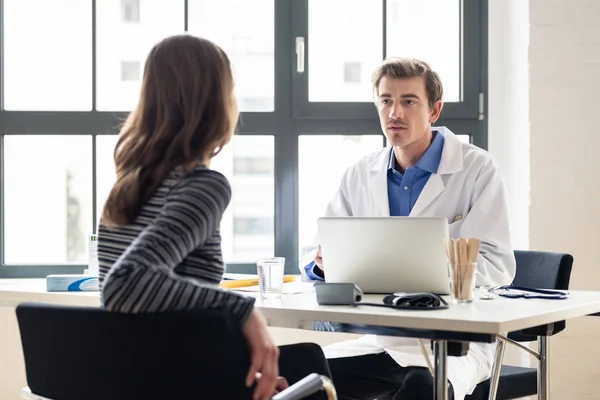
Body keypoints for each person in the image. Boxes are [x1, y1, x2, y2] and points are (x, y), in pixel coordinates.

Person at [97, 34, 330, 400]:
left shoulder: (126, 186)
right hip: (184, 380)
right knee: (312, 368)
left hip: (131, 376)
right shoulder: (202, 186)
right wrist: (242, 310)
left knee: (302, 362)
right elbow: (124, 283)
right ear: (214, 101)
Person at [299, 57, 516, 400]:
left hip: (454, 343)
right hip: (379, 339)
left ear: (434, 110)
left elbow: (496, 265)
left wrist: (429, 276)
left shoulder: (477, 169)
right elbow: (314, 251)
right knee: (296, 373)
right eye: (386, 101)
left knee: (421, 388)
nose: (394, 113)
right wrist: (323, 263)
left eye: (408, 101)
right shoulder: (361, 172)